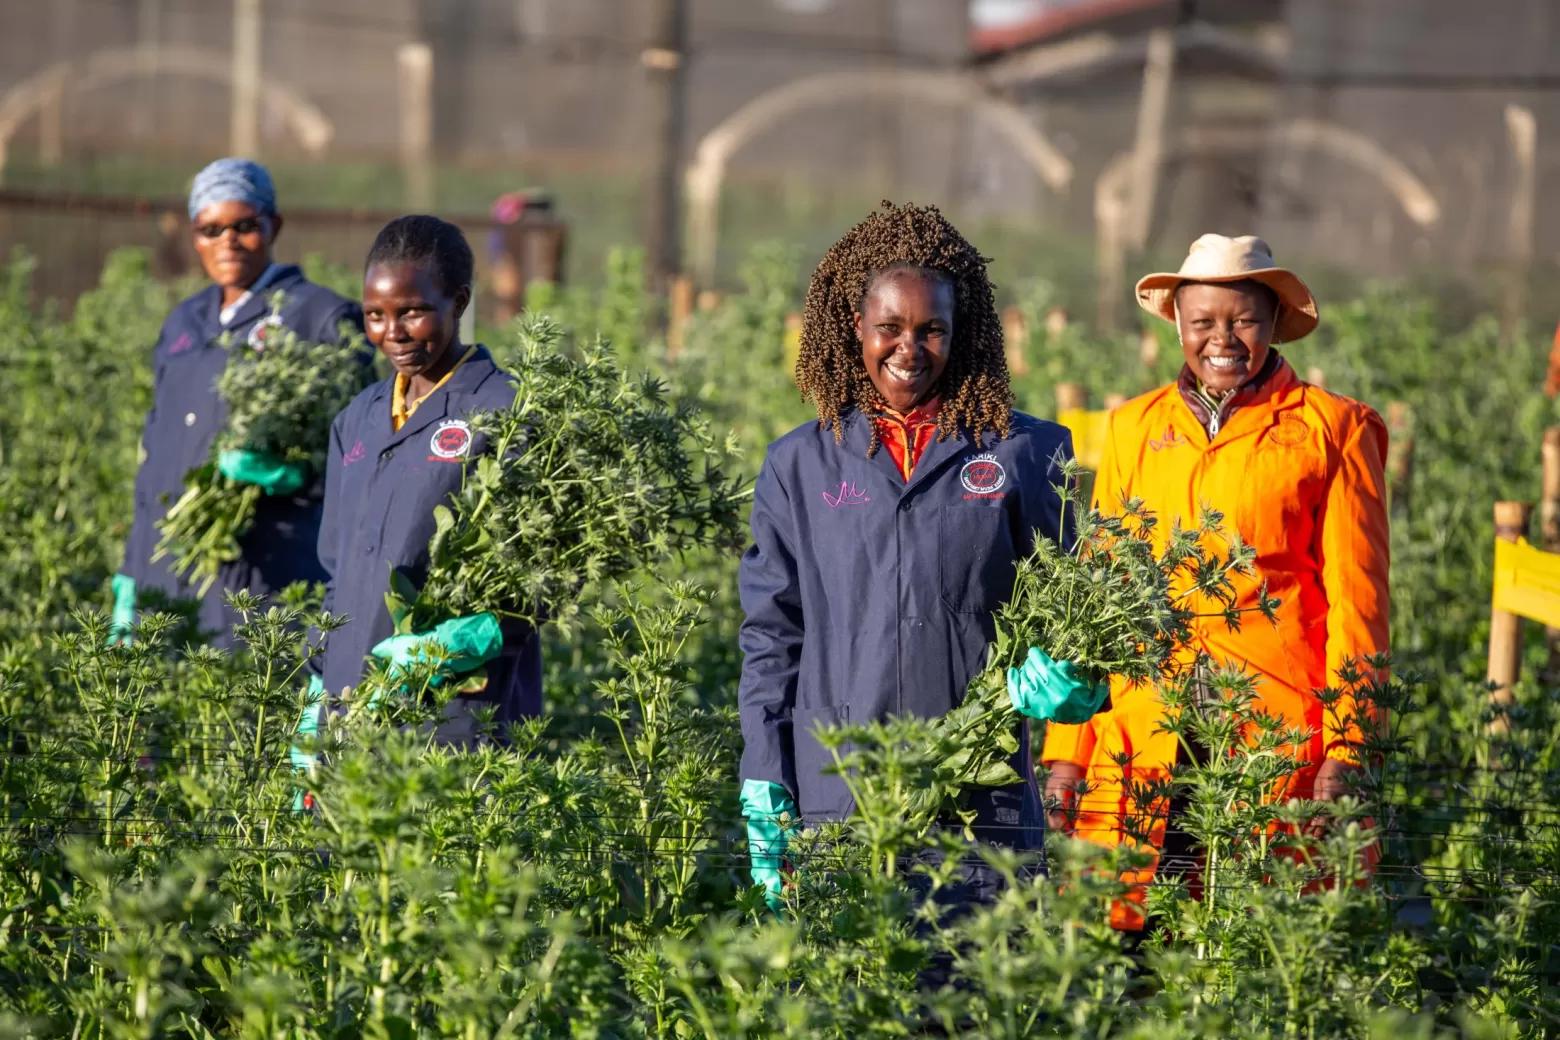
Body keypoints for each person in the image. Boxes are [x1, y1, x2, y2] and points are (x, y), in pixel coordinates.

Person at [736, 202, 1100, 913]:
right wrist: (764, 771)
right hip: (839, 786)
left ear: (960, 337)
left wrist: (1076, 677)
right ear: (855, 329)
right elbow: (771, 635)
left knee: (979, 1004)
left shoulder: (1024, 451)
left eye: (932, 329)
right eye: (890, 329)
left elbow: (1074, 612)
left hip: (980, 789)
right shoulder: (797, 463)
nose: (910, 349)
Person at [1041, 234, 1390, 930]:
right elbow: (1100, 600)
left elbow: (1360, 604)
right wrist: (1065, 753)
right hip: (1144, 726)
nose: (1222, 339)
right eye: (1203, 321)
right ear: (1178, 324)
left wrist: (1348, 747)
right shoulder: (1134, 427)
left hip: (1274, 731)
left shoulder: (1334, 428)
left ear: (1273, 322)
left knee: (1254, 939)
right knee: (1133, 937)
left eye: (1243, 320)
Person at [300, 215, 539, 756]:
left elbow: (549, 571)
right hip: (347, 709)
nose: (394, 333)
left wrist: (475, 634)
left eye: (412, 311)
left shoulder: (506, 411)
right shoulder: (357, 419)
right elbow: (336, 570)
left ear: (458, 301)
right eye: (375, 316)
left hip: (453, 709)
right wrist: (316, 686)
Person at [114, 158, 367, 646]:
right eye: (210, 229)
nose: (226, 240)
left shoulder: (319, 317)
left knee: (243, 712)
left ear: (273, 225)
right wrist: (131, 568)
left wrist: (291, 472)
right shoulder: (184, 323)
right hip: (164, 572)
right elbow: (156, 451)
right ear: (194, 236)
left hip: (263, 581)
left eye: (244, 225)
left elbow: (357, 450)